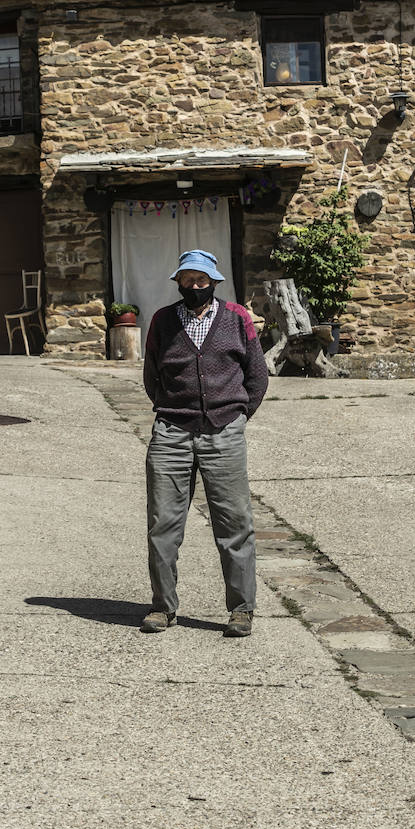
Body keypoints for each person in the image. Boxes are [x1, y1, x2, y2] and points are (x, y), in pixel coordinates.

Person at [141, 249, 269, 638]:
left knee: (234, 524)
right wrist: (169, 412)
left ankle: (241, 610)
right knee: (163, 524)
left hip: (224, 431)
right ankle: (163, 608)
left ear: (213, 282)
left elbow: (257, 375)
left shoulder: (237, 318)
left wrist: (238, 416)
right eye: (188, 280)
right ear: (178, 282)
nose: (195, 287)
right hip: (172, 433)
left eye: (202, 281)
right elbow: (151, 375)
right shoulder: (163, 321)